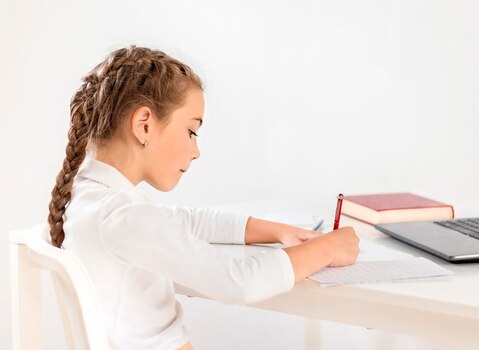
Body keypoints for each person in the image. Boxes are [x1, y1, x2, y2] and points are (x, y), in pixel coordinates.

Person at [47, 46, 359, 350]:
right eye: (191, 131)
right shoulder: (124, 218)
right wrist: (327, 248)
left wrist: (277, 231)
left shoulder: (91, 197)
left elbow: (185, 220)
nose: (196, 151)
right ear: (144, 125)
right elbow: (238, 282)